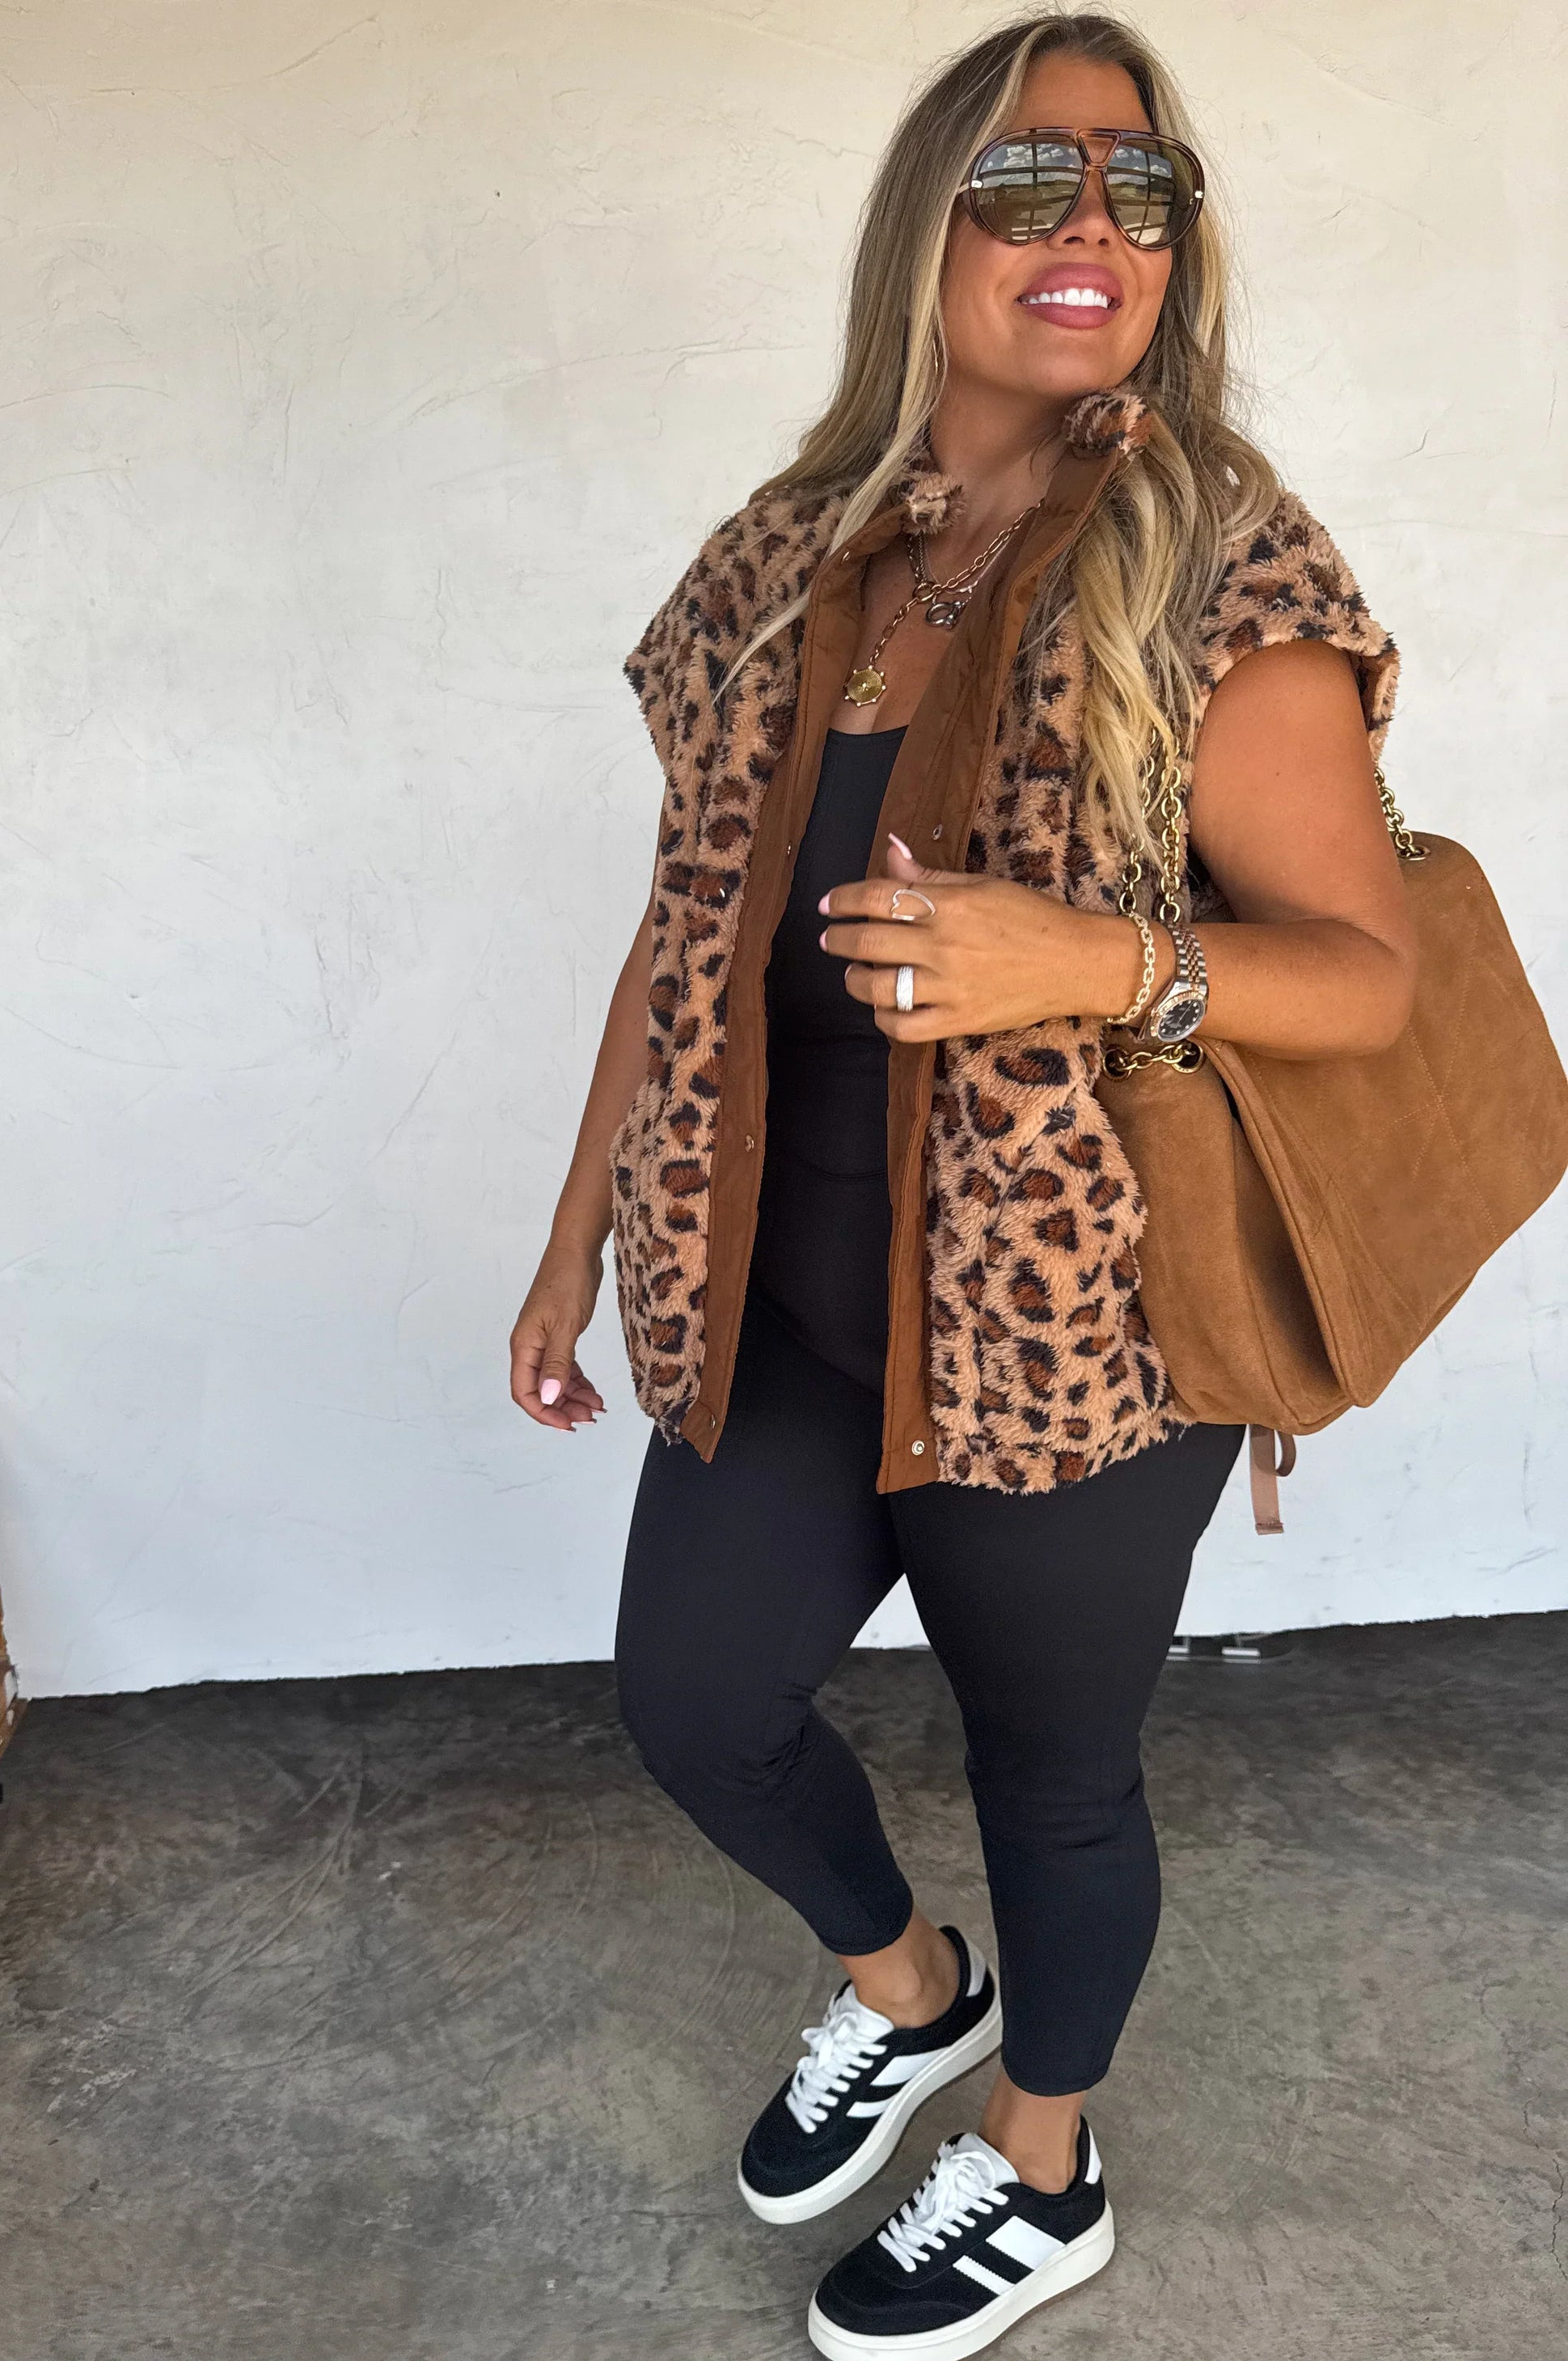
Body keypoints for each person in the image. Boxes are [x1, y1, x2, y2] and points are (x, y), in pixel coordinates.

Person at [510, 12, 1412, 2354]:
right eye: (1027, 183)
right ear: (927, 230)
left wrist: (1080, 956)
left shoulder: (1217, 565)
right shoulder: (786, 555)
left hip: (1080, 1326)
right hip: (783, 1288)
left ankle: (1042, 2162)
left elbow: (1364, 979)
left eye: (1141, 189)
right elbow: (681, 933)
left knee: (1056, 1777)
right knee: (694, 1699)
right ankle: (911, 1989)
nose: (1092, 229)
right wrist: (570, 1239)